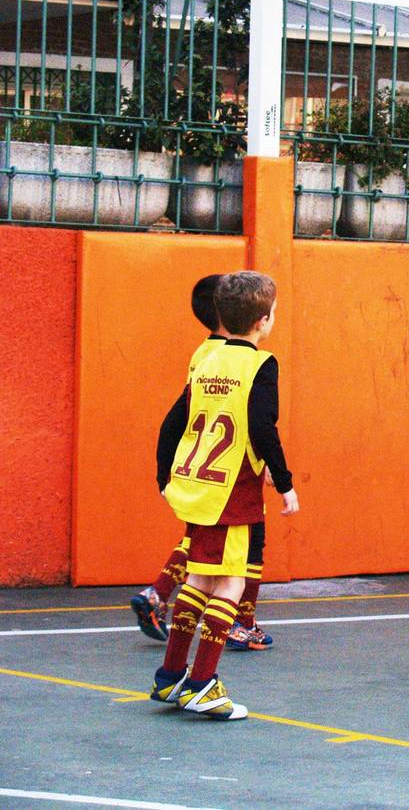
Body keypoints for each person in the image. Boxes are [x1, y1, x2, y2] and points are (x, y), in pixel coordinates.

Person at [149, 271, 300, 720]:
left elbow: (173, 420)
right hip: (232, 490)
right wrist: (284, 479)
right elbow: (260, 425)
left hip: (197, 482)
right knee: (231, 582)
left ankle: (170, 676)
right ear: (263, 320)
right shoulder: (260, 364)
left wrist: (165, 476)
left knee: (198, 576)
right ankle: (203, 684)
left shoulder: (206, 356)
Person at [131, 274, 227, 641]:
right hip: (217, 466)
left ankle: (157, 594)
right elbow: (179, 415)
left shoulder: (205, 351)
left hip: (199, 460)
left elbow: (176, 417)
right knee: (236, 545)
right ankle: (235, 624)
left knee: (202, 539)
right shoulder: (222, 356)